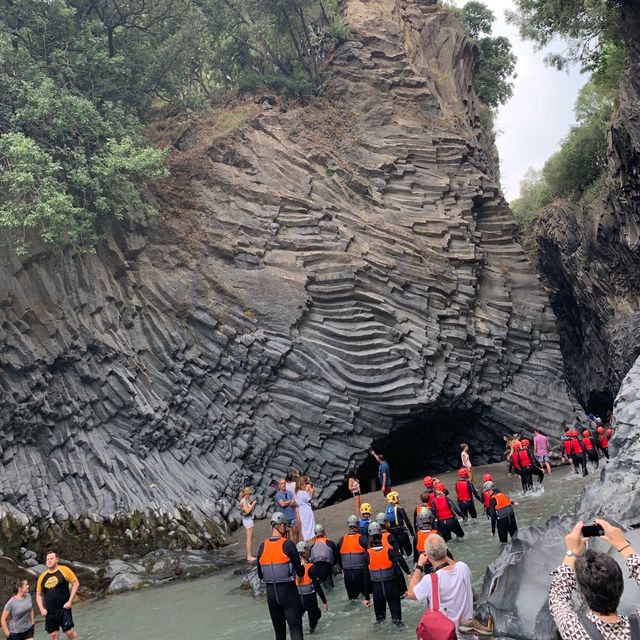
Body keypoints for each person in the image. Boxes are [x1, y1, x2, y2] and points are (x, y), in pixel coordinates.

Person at [549, 518, 640, 640]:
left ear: (583, 594)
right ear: (621, 587)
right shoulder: (637, 625)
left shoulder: (573, 630)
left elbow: (557, 597)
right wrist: (623, 545)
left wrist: (572, 552)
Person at [408, 534, 489, 634]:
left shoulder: (430, 580)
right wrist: (442, 552)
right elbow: (452, 564)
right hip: (468, 633)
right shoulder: (462, 567)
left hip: (446, 635)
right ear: (445, 550)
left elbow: (411, 594)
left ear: (428, 556)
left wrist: (419, 566)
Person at [257, 512, 305, 640]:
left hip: (271, 596)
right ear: (282, 526)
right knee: (295, 631)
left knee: (279, 634)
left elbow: (260, 575)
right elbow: (300, 572)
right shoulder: (288, 545)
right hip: (288, 593)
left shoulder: (263, 546)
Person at [363, 522, 405, 627]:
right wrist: (403, 590)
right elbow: (398, 572)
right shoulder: (389, 551)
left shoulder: (367, 554)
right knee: (397, 621)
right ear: (381, 535)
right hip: (391, 588)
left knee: (380, 622)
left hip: (377, 591)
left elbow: (366, 577)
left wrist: (367, 596)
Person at [36, 551, 79, 640]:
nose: (49, 561)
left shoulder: (64, 570)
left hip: (63, 608)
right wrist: (41, 609)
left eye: (51, 559)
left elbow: (76, 583)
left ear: (57, 559)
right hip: (50, 611)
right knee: (53, 636)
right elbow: (39, 595)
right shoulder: (42, 577)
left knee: (69, 632)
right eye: (47, 559)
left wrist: (70, 601)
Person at [296, 541, 329, 634]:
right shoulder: (311, 568)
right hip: (309, 599)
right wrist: (324, 601)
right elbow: (317, 586)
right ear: (307, 554)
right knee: (314, 624)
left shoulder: (294, 568)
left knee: (300, 619)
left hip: (298, 599)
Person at [338, 515, 369, 600]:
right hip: (360, 572)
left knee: (353, 599)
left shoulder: (341, 540)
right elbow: (370, 555)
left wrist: (342, 569)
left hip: (347, 575)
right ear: (358, 525)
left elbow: (338, 558)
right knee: (365, 598)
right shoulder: (362, 538)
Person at [385, 491, 414, 556]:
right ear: (394, 498)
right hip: (402, 533)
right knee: (409, 552)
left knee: (400, 553)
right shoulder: (399, 509)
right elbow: (407, 522)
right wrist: (412, 533)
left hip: (393, 534)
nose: (398, 499)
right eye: (397, 497)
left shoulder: (386, 510)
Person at [310, 523, 338, 590]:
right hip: (327, 569)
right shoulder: (330, 543)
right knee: (330, 588)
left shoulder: (312, 547)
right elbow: (336, 558)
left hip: (316, 571)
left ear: (315, 533)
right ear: (323, 532)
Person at [275, 478, 298, 543]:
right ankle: (288, 548)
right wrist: (290, 501)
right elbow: (282, 504)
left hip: (292, 516)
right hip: (284, 518)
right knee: (286, 535)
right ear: (279, 485)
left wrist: (286, 502)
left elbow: (293, 503)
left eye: (284, 483)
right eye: (282, 483)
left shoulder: (290, 493)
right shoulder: (278, 495)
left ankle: (296, 547)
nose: (283, 485)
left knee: (295, 532)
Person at [239, 486, 258, 561]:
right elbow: (247, 511)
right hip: (247, 520)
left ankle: (249, 555)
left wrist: (253, 505)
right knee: (249, 538)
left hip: (248, 519)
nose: (250, 495)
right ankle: (249, 556)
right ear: (246, 494)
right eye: (249, 494)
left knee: (249, 538)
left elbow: (249, 510)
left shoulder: (245, 500)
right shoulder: (244, 500)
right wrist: (253, 504)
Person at [295, 476, 316, 542]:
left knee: (306, 526)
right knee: (311, 526)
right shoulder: (303, 493)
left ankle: (307, 539)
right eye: (307, 483)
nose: (309, 484)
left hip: (302, 511)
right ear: (303, 484)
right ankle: (311, 539)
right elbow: (310, 500)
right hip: (307, 511)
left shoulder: (298, 492)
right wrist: (312, 492)